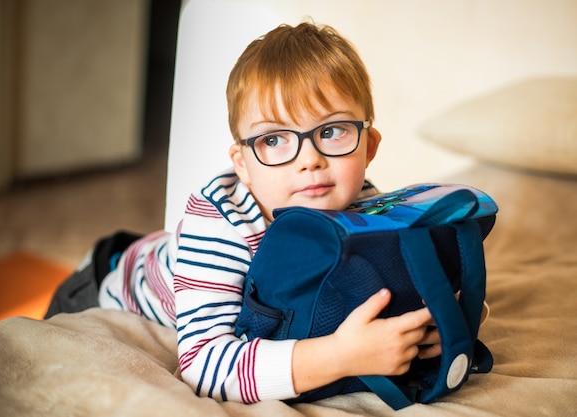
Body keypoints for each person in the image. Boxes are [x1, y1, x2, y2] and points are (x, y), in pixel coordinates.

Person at [50, 22, 442, 403]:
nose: (310, 159)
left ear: (368, 146)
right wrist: (339, 355)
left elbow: (416, 284)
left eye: (332, 131)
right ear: (242, 164)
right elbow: (203, 366)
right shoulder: (225, 221)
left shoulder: (367, 207)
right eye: (273, 138)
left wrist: (441, 319)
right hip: (106, 284)